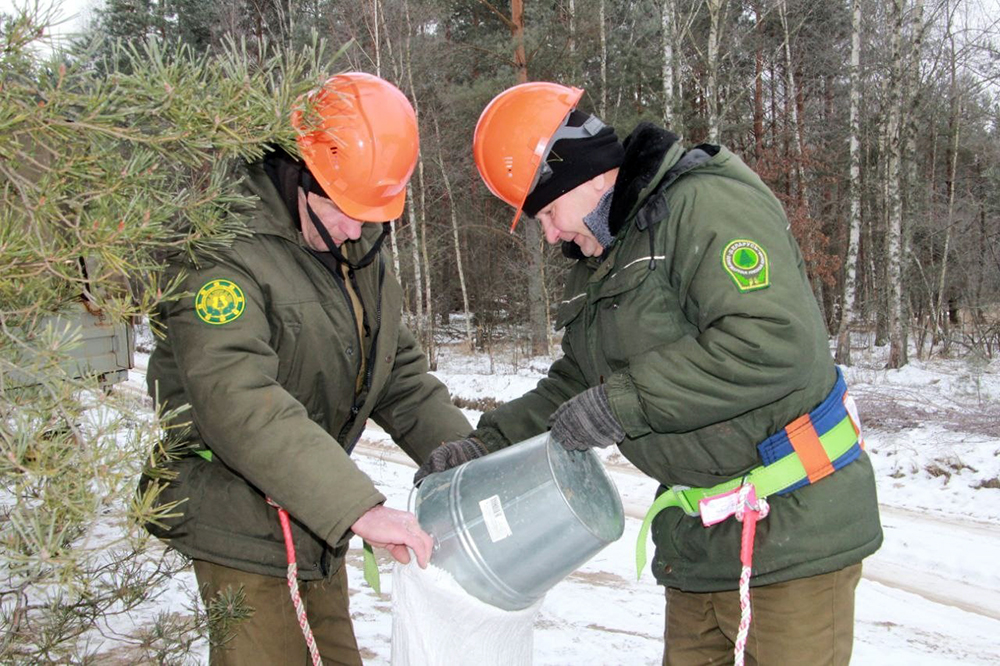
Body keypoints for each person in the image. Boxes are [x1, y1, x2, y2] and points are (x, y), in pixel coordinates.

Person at [415, 82, 882, 665]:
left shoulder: (702, 205)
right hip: (698, 544)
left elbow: (771, 341)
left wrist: (625, 402)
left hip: (793, 532)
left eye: (548, 214)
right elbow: (576, 382)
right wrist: (482, 447)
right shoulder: (605, 258)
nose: (551, 234)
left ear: (579, 178)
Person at [142, 72, 472, 665]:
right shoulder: (219, 247)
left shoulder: (353, 245)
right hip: (240, 521)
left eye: (372, 214)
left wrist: (473, 466)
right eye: (344, 209)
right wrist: (359, 508)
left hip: (313, 516)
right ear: (299, 173)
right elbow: (235, 397)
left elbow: (398, 373)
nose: (356, 229)